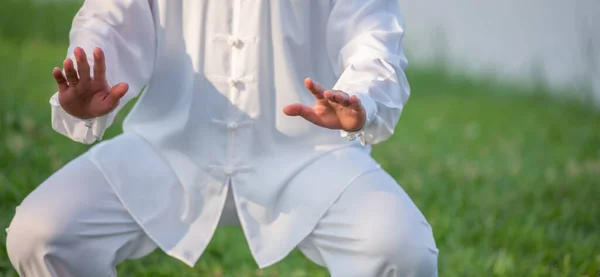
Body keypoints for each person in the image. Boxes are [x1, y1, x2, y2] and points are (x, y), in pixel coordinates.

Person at [5, 0, 438, 276]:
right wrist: (92, 79)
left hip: (309, 153)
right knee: (42, 235)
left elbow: (372, 34)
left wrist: (361, 97)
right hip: (170, 146)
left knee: (403, 251)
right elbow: (110, 19)